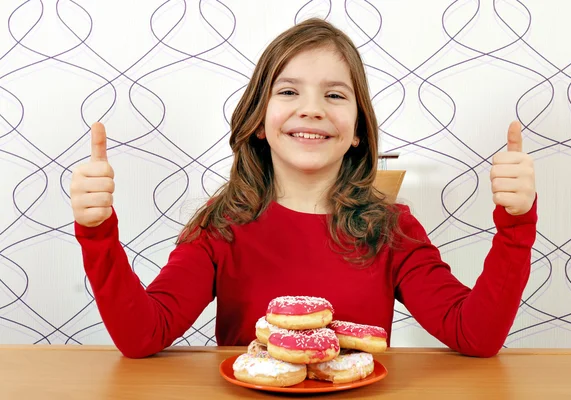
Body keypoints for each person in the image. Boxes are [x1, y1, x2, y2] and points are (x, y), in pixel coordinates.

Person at [70, 18, 537, 359]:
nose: (312, 109)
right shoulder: (223, 225)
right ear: (258, 121)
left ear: (357, 130)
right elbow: (142, 335)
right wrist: (98, 233)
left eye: (334, 95)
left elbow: (474, 335)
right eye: (289, 92)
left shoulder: (391, 227)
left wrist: (516, 225)